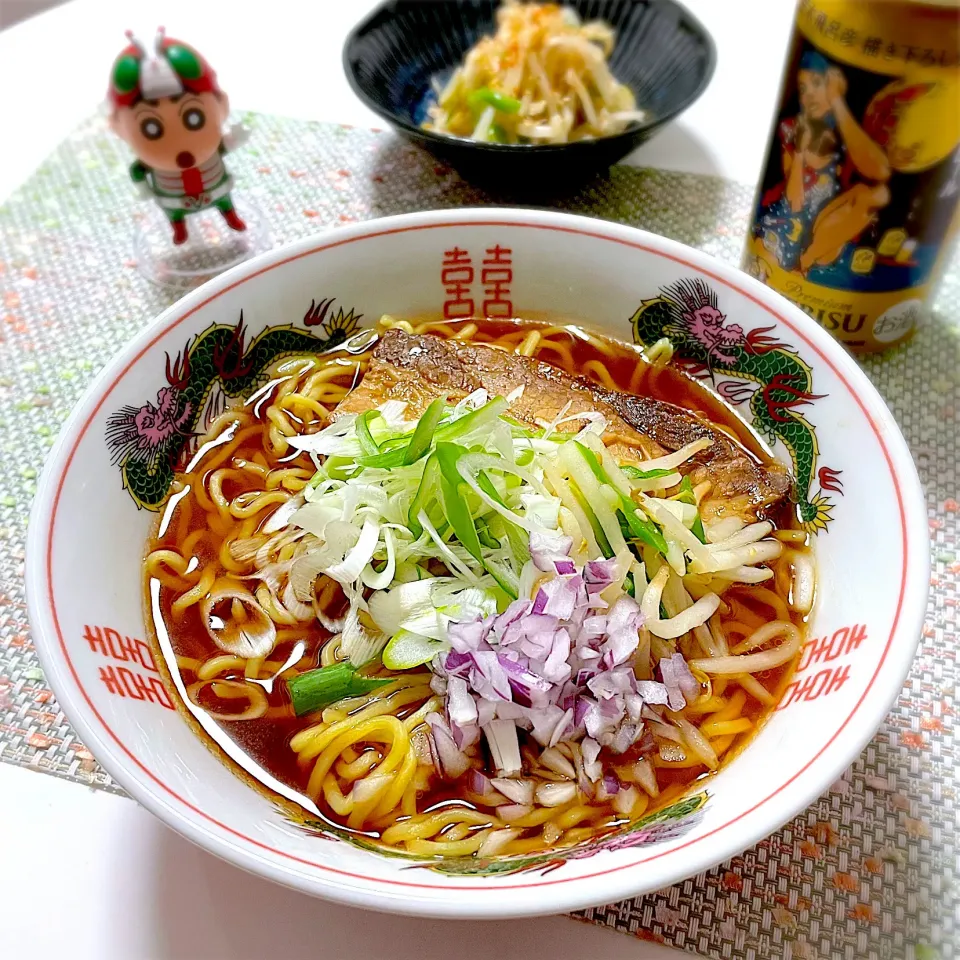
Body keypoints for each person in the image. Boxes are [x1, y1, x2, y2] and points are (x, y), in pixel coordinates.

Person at [755, 51, 891, 275]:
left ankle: (805, 261)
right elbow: (794, 202)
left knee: (878, 194)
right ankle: (799, 262)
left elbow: (880, 172)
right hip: (791, 221)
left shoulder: (847, 133)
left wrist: (837, 101)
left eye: (817, 84)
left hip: (826, 228)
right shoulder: (793, 128)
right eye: (803, 88)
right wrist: (800, 151)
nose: (808, 95)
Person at [107, 28, 246, 246]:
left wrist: (236, 138)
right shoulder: (146, 164)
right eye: (151, 128)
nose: (182, 147)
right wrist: (143, 190)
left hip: (215, 188)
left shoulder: (215, 148)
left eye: (194, 118)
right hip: (173, 198)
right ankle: (179, 228)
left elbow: (226, 145)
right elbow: (137, 172)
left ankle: (231, 216)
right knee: (175, 213)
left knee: (224, 201)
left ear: (222, 105)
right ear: (119, 129)